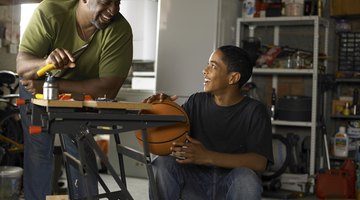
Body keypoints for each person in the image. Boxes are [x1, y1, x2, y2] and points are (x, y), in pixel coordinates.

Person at [16, 0, 132, 199]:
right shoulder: (50, 12)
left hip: (77, 94)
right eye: (106, 1)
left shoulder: (119, 29)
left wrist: (55, 85)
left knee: (82, 150)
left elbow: (108, 89)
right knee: (38, 151)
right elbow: (22, 67)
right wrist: (46, 63)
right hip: (35, 88)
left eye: (118, 2)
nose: (113, 10)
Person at [144, 45, 273, 200]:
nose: (204, 70)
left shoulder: (254, 111)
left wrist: (206, 156)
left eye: (213, 66)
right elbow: (171, 132)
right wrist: (162, 107)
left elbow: (259, 162)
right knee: (162, 164)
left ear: (233, 78)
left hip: (229, 184)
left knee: (247, 179)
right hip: (194, 182)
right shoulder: (196, 101)